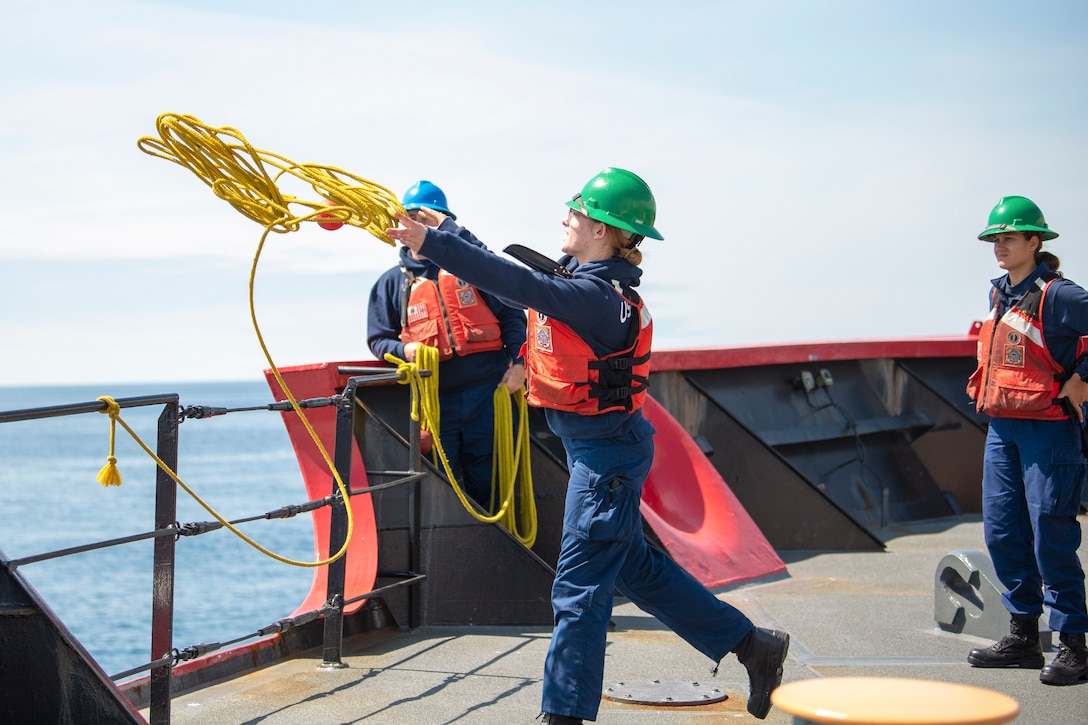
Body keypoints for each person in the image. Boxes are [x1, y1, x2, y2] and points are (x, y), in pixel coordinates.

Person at [386, 168, 790, 722]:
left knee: (578, 592)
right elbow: (528, 275)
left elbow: (520, 285)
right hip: (603, 452)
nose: (565, 219)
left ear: (602, 229)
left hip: (605, 462)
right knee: (635, 571)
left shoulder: (596, 298)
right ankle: (753, 645)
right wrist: (451, 232)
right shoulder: (592, 283)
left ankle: (564, 716)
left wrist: (431, 244)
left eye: (575, 212)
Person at [965, 195, 1088, 685]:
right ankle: (1022, 637)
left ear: (1035, 242)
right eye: (996, 238)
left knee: (1051, 535)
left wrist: (1083, 375)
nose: (1000, 245)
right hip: (1003, 428)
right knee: (1003, 531)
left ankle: (1074, 646)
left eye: (1010, 237)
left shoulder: (1059, 295)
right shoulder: (1000, 294)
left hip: (1049, 431)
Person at [367, 180, 527, 508]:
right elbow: (378, 340)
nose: (418, 226)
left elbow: (512, 315)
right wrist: (405, 350)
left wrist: (521, 365)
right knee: (446, 482)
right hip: (436, 401)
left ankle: (497, 546)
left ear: (442, 223)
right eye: (411, 218)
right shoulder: (390, 284)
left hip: (490, 393)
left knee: (491, 478)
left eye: (428, 219)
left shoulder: (475, 270)